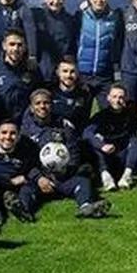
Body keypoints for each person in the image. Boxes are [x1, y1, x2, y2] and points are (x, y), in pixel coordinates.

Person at [17, 89, 111, 219]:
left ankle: (86, 207)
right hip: (40, 180)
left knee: (83, 182)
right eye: (38, 103)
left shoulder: (64, 125)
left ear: (52, 105)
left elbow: (74, 152)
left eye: (46, 103)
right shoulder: (25, 130)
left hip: (63, 178)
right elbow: (26, 161)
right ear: (31, 108)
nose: (42, 106)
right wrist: (39, 178)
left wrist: (66, 170)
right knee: (25, 190)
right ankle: (24, 211)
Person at [83, 84, 137, 191]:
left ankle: (127, 175)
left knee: (135, 140)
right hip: (105, 156)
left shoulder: (130, 116)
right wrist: (102, 146)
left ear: (125, 99)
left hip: (123, 155)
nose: (117, 100)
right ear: (108, 98)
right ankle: (105, 177)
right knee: (94, 144)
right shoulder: (101, 116)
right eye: (114, 97)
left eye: (121, 97)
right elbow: (87, 133)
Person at [76, 0, 124, 107]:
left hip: (105, 76)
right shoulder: (80, 16)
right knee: (81, 113)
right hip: (83, 75)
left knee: (109, 111)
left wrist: (116, 69)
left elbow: (119, 44)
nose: (99, 0)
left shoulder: (115, 18)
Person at [0, 28, 42, 123]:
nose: (16, 49)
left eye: (20, 45)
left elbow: (39, 95)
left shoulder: (32, 69)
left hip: (23, 124)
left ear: (25, 47)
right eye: (12, 44)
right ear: (4, 46)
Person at [33, 0, 79, 83]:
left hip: (61, 75)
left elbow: (72, 47)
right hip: (38, 71)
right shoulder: (35, 16)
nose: (56, 1)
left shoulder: (70, 20)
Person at [49, 56, 93, 133]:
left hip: (75, 134)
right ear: (58, 72)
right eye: (65, 71)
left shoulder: (85, 95)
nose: (68, 75)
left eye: (72, 72)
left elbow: (84, 121)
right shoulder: (49, 92)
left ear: (78, 73)